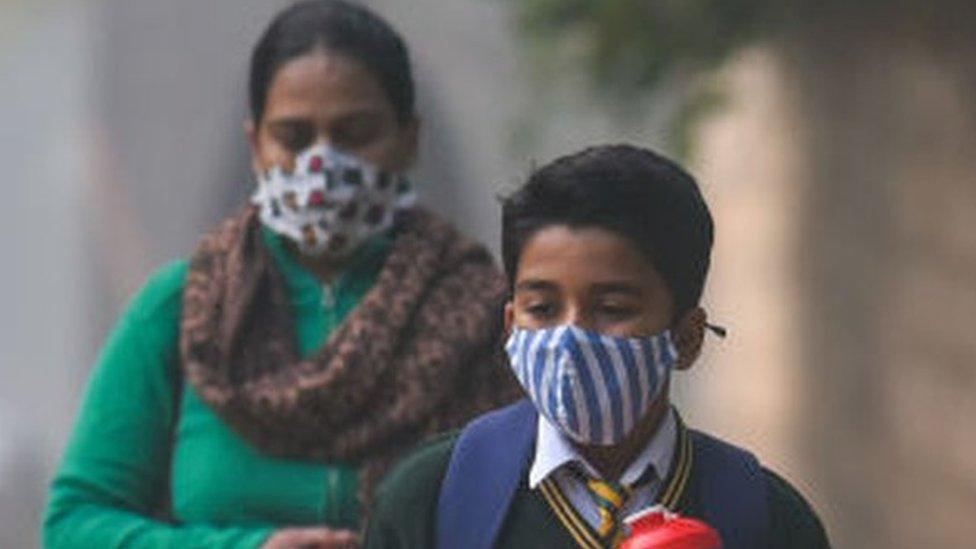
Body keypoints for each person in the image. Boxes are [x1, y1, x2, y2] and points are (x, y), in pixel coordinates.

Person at [43, 1, 517, 547]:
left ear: (409, 139)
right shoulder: (181, 312)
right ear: (255, 145)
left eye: (355, 132)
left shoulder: (485, 317)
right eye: (294, 137)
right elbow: (75, 524)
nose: (323, 165)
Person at [364, 145, 831, 549]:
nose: (571, 337)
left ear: (686, 338)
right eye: (543, 308)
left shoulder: (765, 520)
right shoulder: (431, 501)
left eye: (612, 308)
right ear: (510, 326)